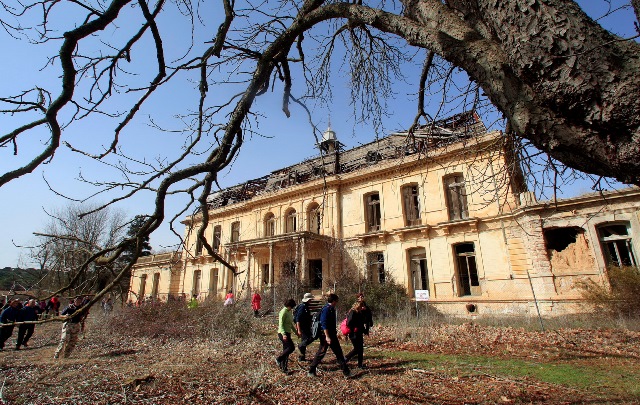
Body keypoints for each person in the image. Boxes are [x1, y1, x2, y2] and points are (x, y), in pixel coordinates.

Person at [308, 293, 351, 377]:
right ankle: (311, 370)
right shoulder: (326, 309)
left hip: (331, 335)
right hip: (326, 336)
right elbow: (324, 323)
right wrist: (327, 336)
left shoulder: (331, 309)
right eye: (336, 301)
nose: (337, 303)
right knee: (323, 352)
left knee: (336, 353)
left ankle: (346, 372)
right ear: (334, 301)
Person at [275, 298, 298, 373]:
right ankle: (279, 358)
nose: (292, 308)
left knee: (286, 351)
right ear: (288, 305)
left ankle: (284, 368)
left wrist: (296, 332)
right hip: (282, 333)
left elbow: (290, 324)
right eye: (291, 307)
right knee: (291, 347)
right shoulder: (283, 312)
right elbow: (280, 324)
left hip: (288, 333)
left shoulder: (289, 312)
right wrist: (284, 334)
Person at [344, 301, 368, 369]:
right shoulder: (353, 312)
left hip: (359, 333)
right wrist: (355, 327)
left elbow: (362, 322)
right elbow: (348, 323)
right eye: (361, 306)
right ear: (358, 306)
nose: (363, 307)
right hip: (353, 333)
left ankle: (360, 365)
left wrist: (364, 330)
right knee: (357, 349)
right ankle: (345, 358)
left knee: (360, 349)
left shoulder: (360, 313)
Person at [294, 292, 316, 361]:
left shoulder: (305, 306)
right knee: (310, 338)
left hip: (305, 326)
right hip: (303, 327)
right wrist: (299, 329)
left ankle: (301, 358)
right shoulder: (303, 307)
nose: (311, 301)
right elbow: (298, 318)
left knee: (304, 341)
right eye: (310, 299)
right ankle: (300, 346)